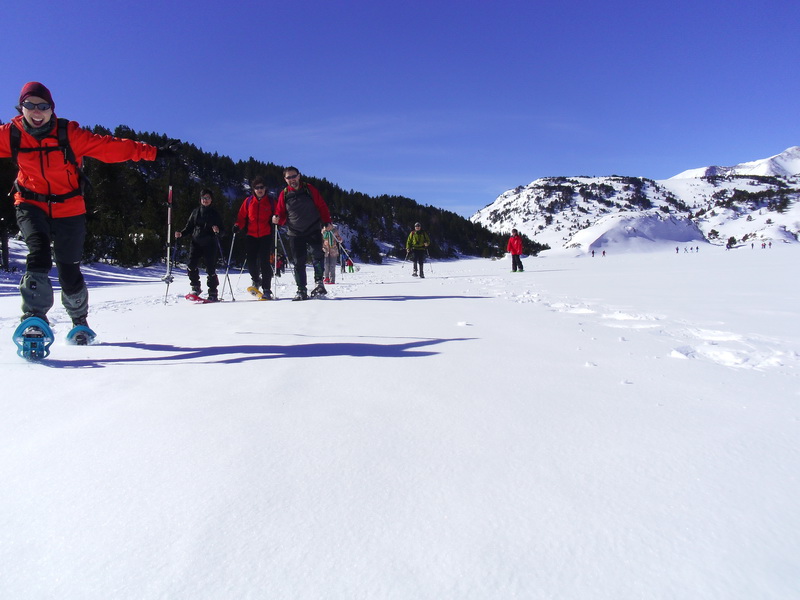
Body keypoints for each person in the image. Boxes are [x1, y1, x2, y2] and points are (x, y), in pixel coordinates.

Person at [1, 81, 177, 343]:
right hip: (30, 203)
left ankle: (79, 321)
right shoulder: (11, 134)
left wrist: (153, 153)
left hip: (69, 206)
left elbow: (111, 147)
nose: (36, 112)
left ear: (52, 109)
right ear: (21, 107)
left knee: (68, 268)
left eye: (43, 106)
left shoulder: (68, 135)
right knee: (37, 253)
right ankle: (34, 318)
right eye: (30, 105)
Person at [272, 166, 332, 300]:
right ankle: (301, 290)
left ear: (299, 176)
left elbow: (322, 206)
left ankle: (319, 283)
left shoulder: (309, 189)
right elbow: (281, 212)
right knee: (299, 262)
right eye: (289, 177)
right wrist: (277, 219)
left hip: (313, 228)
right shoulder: (285, 193)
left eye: (294, 176)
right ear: (285, 179)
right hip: (295, 232)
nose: (292, 179)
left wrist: (327, 221)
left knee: (317, 255)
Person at [174, 188, 223, 300]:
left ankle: (213, 292)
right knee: (191, 265)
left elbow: (223, 231)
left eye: (208, 198)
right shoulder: (196, 212)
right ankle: (195, 287)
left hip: (210, 244)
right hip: (196, 242)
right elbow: (189, 227)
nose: (205, 200)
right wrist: (181, 234)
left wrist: (218, 231)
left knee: (210, 269)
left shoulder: (215, 214)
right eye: (203, 198)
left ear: (211, 200)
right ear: (200, 199)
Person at [234, 176, 274, 299]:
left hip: (265, 235)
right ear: (253, 189)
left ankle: (266, 288)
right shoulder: (248, 201)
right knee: (251, 262)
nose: (259, 190)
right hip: (251, 235)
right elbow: (241, 217)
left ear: (265, 188)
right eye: (257, 188)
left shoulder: (271, 201)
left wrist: (277, 219)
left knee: (264, 262)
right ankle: (256, 280)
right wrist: (237, 225)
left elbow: (278, 214)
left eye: (261, 187)